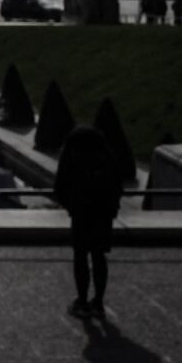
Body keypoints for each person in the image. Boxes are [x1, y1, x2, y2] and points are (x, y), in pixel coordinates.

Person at [53, 122, 125, 321]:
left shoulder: (72, 159)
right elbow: (118, 186)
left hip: (81, 214)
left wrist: (71, 206)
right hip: (103, 214)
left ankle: (82, 301)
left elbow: (60, 187)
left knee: (80, 256)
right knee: (99, 256)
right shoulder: (107, 159)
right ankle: (98, 302)